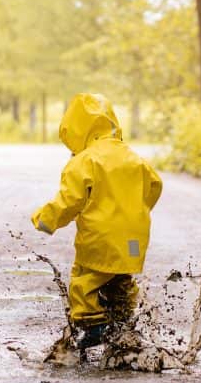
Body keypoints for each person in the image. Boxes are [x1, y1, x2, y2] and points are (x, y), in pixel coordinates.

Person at [31, 92, 163, 349]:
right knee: (121, 278)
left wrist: (45, 220)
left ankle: (92, 327)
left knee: (84, 280)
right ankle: (124, 324)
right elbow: (154, 186)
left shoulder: (84, 161)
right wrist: (135, 210)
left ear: (76, 129)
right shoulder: (134, 157)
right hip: (134, 239)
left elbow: (70, 201)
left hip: (100, 239)